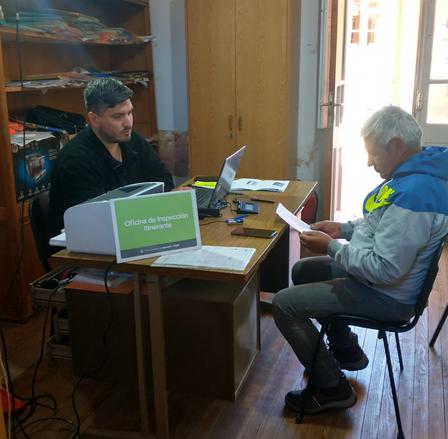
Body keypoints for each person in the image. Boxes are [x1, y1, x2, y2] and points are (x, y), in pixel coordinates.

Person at [272, 106, 448, 415]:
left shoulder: (417, 195)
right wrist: (343, 229)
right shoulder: (417, 176)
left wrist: (332, 247)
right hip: (380, 283)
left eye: (373, 153)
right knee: (303, 270)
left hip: (387, 296)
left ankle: (332, 389)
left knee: (284, 305)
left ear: (396, 146)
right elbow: (384, 227)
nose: (369, 162)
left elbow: (385, 269)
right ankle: (347, 350)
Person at [49, 78, 174, 237]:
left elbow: (164, 181)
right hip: (86, 245)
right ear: (94, 119)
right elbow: (97, 218)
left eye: (130, 113)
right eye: (118, 116)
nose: (128, 123)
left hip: (133, 230)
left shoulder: (132, 140)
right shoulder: (75, 159)